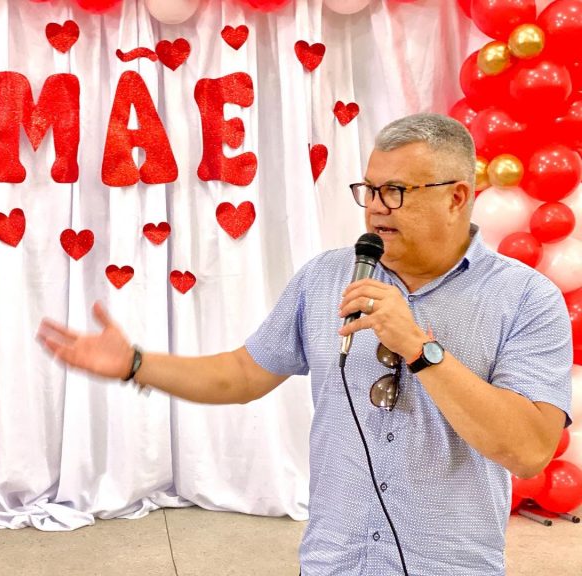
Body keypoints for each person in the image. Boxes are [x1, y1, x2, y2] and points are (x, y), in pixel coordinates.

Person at [36, 113, 572, 576]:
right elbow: (242, 373)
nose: (376, 209)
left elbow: (528, 452)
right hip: (335, 561)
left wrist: (419, 349)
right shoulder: (326, 278)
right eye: (369, 190)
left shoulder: (526, 299)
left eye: (396, 192)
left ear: (457, 197)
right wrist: (136, 363)